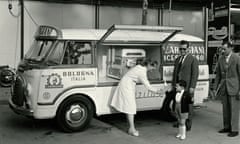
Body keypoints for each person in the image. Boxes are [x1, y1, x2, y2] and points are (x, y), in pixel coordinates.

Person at [110, 59, 159, 137]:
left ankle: (131, 128)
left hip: (127, 84)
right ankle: (132, 129)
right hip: (127, 86)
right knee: (131, 107)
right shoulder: (142, 71)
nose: (153, 70)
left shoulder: (139, 67)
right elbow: (148, 86)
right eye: (153, 68)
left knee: (129, 107)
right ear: (149, 65)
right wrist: (158, 91)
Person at [171, 40, 199, 131]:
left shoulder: (193, 59)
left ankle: (188, 124)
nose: (182, 50)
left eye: (184, 49)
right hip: (178, 87)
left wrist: (192, 87)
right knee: (178, 105)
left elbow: (195, 74)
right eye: (180, 49)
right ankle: (180, 122)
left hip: (187, 87)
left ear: (188, 49)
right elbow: (175, 74)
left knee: (188, 107)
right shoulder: (177, 59)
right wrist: (173, 85)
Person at [214, 41, 240, 137]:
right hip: (224, 87)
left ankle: (235, 129)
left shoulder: (237, 58)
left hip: (234, 88)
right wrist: (215, 88)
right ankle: (227, 127)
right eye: (222, 49)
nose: (223, 50)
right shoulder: (221, 59)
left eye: (224, 49)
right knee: (225, 109)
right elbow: (218, 75)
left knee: (234, 109)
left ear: (230, 48)